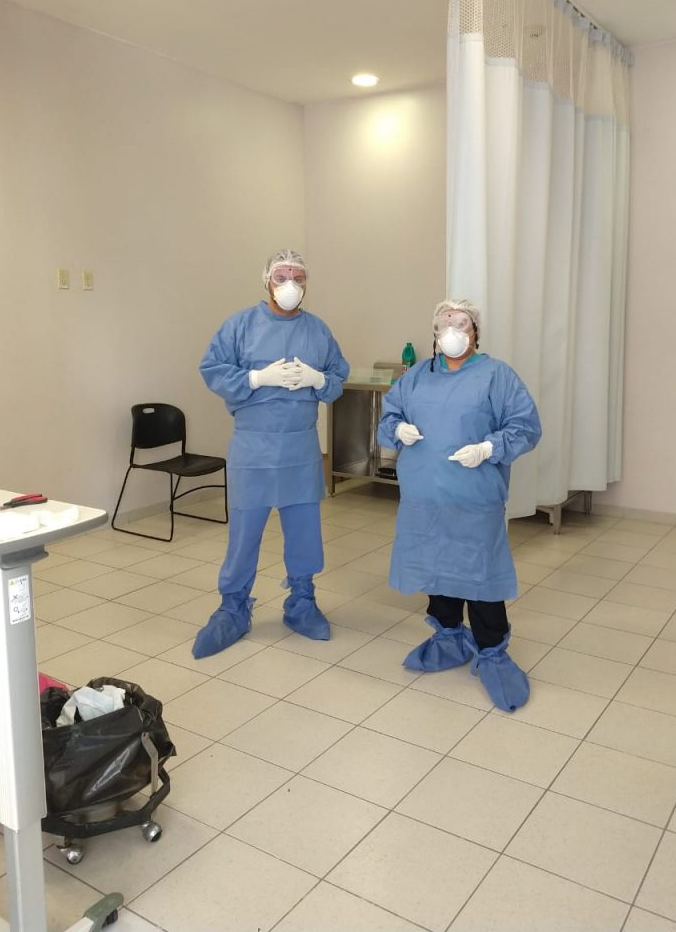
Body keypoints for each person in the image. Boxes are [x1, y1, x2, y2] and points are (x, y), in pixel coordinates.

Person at [377, 299, 541, 711]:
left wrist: (489, 448)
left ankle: (492, 651)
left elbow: (525, 426)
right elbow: (387, 417)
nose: (452, 330)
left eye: (461, 323)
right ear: (434, 333)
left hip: (473, 497)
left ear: (475, 332)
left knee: (479, 573)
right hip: (424, 497)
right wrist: (398, 428)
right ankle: (448, 636)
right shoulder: (417, 376)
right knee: (436, 567)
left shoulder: (496, 376)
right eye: (445, 323)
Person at [193, 250, 349, 658]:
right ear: (266, 280)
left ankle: (302, 602)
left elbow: (338, 376)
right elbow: (212, 369)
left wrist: (319, 379)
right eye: (282, 276)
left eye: (298, 276)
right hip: (254, 447)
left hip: (300, 446)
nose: (290, 284)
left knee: (304, 530)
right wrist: (255, 377)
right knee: (244, 532)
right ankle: (232, 608)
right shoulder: (240, 326)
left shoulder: (317, 330)